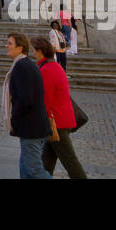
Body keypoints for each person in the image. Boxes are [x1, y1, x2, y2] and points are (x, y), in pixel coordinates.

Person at [34, 37, 87, 178]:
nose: (33, 53)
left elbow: (45, 100)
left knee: (70, 160)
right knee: (47, 160)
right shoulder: (55, 66)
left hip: (57, 123)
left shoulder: (47, 70)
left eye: (34, 50)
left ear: (40, 51)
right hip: (58, 121)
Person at [4, 32, 50, 179]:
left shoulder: (22, 67)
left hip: (32, 128)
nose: (6, 46)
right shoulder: (24, 65)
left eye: (10, 43)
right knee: (25, 169)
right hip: (32, 127)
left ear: (20, 47)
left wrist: (14, 118)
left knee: (33, 170)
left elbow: (25, 99)